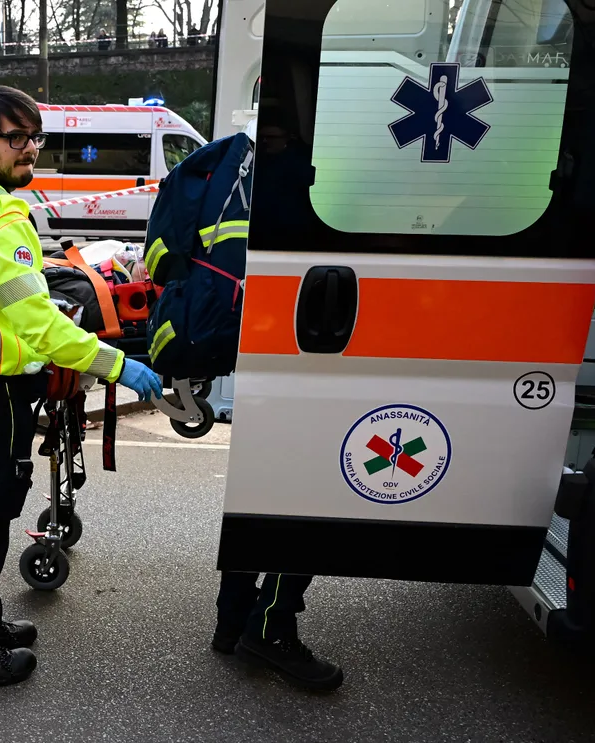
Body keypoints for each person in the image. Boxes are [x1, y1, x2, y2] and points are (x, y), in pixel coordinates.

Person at [0, 86, 163, 692]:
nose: (30, 151)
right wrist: (113, 363)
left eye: (35, 138)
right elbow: (37, 322)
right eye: (15, 140)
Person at [209, 115, 343, 693]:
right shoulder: (317, 180)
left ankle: (232, 621)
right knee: (311, 501)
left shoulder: (249, 170)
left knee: (259, 497)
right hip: (311, 361)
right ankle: (271, 627)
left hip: (266, 361)